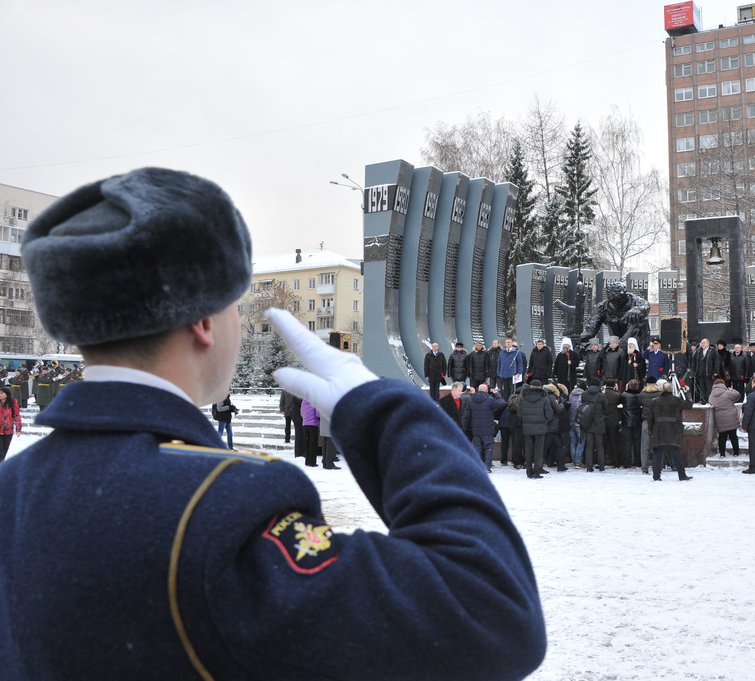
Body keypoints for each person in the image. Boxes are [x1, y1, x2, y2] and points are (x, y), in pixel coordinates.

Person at [0, 168, 546, 680]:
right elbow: (490, 611)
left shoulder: (12, 490)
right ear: (204, 321)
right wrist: (386, 412)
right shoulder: (221, 505)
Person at [648, 381, 694, 481]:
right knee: (676, 454)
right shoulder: (676, 400)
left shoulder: (655, 401)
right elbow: (689, 405)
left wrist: (650, 431)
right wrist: (687, 393)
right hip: (673, 430)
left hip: (658, 431)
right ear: (671, 390)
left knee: (657, 455)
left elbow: (650, 418)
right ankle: (682, 475)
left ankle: (656, 476)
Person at [461, 383, 505, 472]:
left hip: (476, 429)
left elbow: (466, 415)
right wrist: (497, 394)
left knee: (477, 448)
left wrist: (465, 427)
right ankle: (487, 467)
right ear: (486, 390)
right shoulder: (489, 399)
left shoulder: (471, 399)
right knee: (488, 448)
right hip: (488, 429)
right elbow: (502, 404)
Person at [518, 379, 553, 479]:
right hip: (540, 427)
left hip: (527, 427)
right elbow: (549, 414)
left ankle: (529, 470)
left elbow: (519, 413)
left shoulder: (523, 397)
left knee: (528, 449)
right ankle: (536, 471)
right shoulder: (544, 398)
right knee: (538, 450)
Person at [580, 380, 608, 472]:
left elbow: (584, 406)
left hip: (587, 422)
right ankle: (601, 466)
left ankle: (589, 466)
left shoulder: (584, 394)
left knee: (589, 446)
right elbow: (606, 409)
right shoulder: (602, 396)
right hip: (599, 422)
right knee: (599, 445)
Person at [708, 379, 741, 457]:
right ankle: (736, 452)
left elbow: (710, 402)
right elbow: (738, 395)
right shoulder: (727, 392)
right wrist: (731, 389)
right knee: (733, 436)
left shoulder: (711, 395)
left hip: (720, 419)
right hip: (731, 418)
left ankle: (722, 454)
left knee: (722, 437)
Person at [692, 338, 721, 404]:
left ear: (708, 343)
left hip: (709, 372)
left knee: (709, 387)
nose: (703, 344)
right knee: (701, 387)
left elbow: (717, 362)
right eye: (702, 343)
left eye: (704, 343)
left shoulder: (712, 351)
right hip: (700, 372)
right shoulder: (698, 351)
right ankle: (703, 399)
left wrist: (716, 371)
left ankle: (709, 399)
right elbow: (694, 362)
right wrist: (694, 370)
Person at [0, 387, 22, 463]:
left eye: (2, 393)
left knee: (5, 451)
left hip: (8, 430)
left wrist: (18, 429)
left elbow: (17, 416)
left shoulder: (13, 402)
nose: (0, 395)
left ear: (7, 394)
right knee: (1, 451)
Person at [300, 398, 322, 467]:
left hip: (305, 423)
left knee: (307, 443)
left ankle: (307, 461)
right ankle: (312, 462)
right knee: (313, 444)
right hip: (313, 424)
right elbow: (318, 413)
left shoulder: (304, 400)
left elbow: (301, 412)